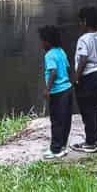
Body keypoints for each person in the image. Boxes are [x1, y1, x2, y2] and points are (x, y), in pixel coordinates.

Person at [72, 5, 97, 152]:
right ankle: (94, 138)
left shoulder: (83, 39)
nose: (80, 24)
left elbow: (83, 58)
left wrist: (76, 77)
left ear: (85, 22)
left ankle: (90, 143)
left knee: (87, 109)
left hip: (87, 77)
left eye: (81, 21)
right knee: (95, 108)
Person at [39, 24, 72, 159]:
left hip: (58, 92)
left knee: (57, 121)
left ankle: (55, 149)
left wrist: (47, 89)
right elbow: (68, 68)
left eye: (41, 40)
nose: (41, 43)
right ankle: (63, 146)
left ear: (47, 41)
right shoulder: (61, 52)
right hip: (68, 90)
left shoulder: (49, 55)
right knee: (65, 120)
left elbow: (53, 71)